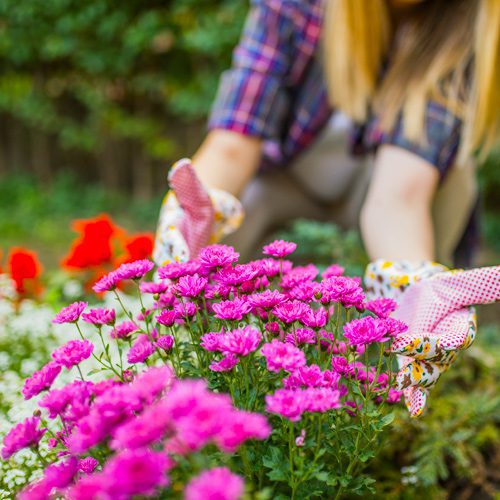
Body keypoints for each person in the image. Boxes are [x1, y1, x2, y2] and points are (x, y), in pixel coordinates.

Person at [153, 0, 500, 416]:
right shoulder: (297, 7)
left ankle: (392, 369)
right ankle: (187, 371)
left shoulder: (464, 25)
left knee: (456, 178)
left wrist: (414, 280)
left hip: (380, 196)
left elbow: (399, 197)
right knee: (227, 211)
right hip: (283, 182)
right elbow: (231, 146)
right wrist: (190, 220)